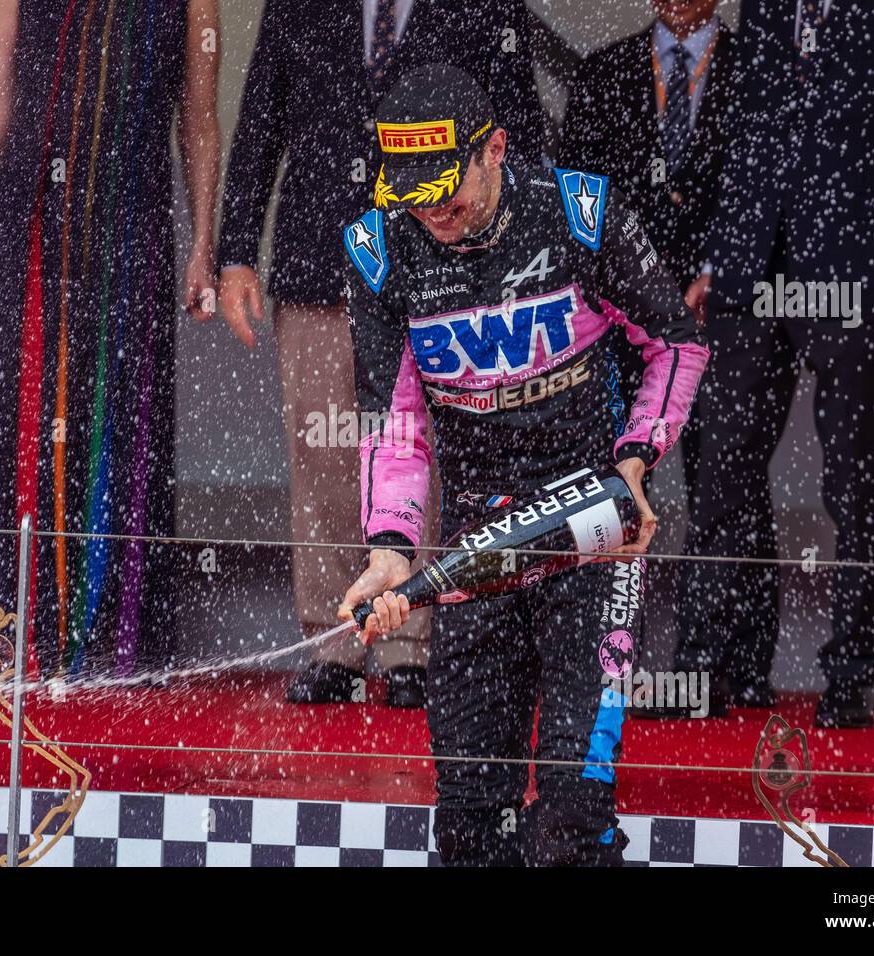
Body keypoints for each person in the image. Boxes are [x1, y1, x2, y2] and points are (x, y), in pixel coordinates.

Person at [337, 64, 709, 866]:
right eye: (414, 193)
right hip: (476, 549)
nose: (433, 210)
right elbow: (395, 420)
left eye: (447, 187)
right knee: (471, 822)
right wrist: (389, 552)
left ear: (496, 148)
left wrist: (637, 460)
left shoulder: (578, 215)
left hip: (591, 538)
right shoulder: (378, 251)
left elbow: (676, 341)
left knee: (575, 814)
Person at [217, 0, 545, 708]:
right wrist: (236, 253)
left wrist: (518, 254)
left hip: (439, 264)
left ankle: (412, 644)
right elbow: (258, 128)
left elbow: (517, 132)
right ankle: (334, 642)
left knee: (421, 449)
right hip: (317, 262)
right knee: (324, 453)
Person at [671, 0, 874, 727]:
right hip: (753, 271)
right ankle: (703, 670)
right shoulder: (770, 6)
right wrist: (722, 253)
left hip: (854, 275)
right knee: (722, 473)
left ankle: (848, 681)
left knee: (852, 485)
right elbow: (750, 132)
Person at [0, 0, 220, 679]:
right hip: (32, 223)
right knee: (22, 421)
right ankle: (3, 634)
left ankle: (114, 643)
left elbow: (200, 120)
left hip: (134, 226)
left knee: (124, 420)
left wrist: (204, 243)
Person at [559, 0, 753, 714]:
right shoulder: (603, 72)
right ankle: (604, 666)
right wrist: (629, 286)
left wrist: (722, 269)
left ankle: (712, 673)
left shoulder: (757, 68)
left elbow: (766, 189)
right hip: (617, 323)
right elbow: (574, 201)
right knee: (617, 486)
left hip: (725, 316)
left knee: (725, 488)